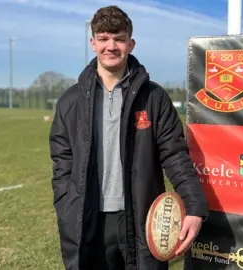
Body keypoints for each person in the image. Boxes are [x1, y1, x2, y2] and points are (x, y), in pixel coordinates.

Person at [49, 5, 208, 270]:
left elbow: (175, 154)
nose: (111, 46)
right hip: (88, 220)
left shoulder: (154, 98)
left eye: (119, 39)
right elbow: (61, 160)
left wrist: (194, 206)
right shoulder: (71, 101)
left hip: (142, 218)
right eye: (103, 38)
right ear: (92, 43)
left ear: (131, 44)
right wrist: (66, 207)